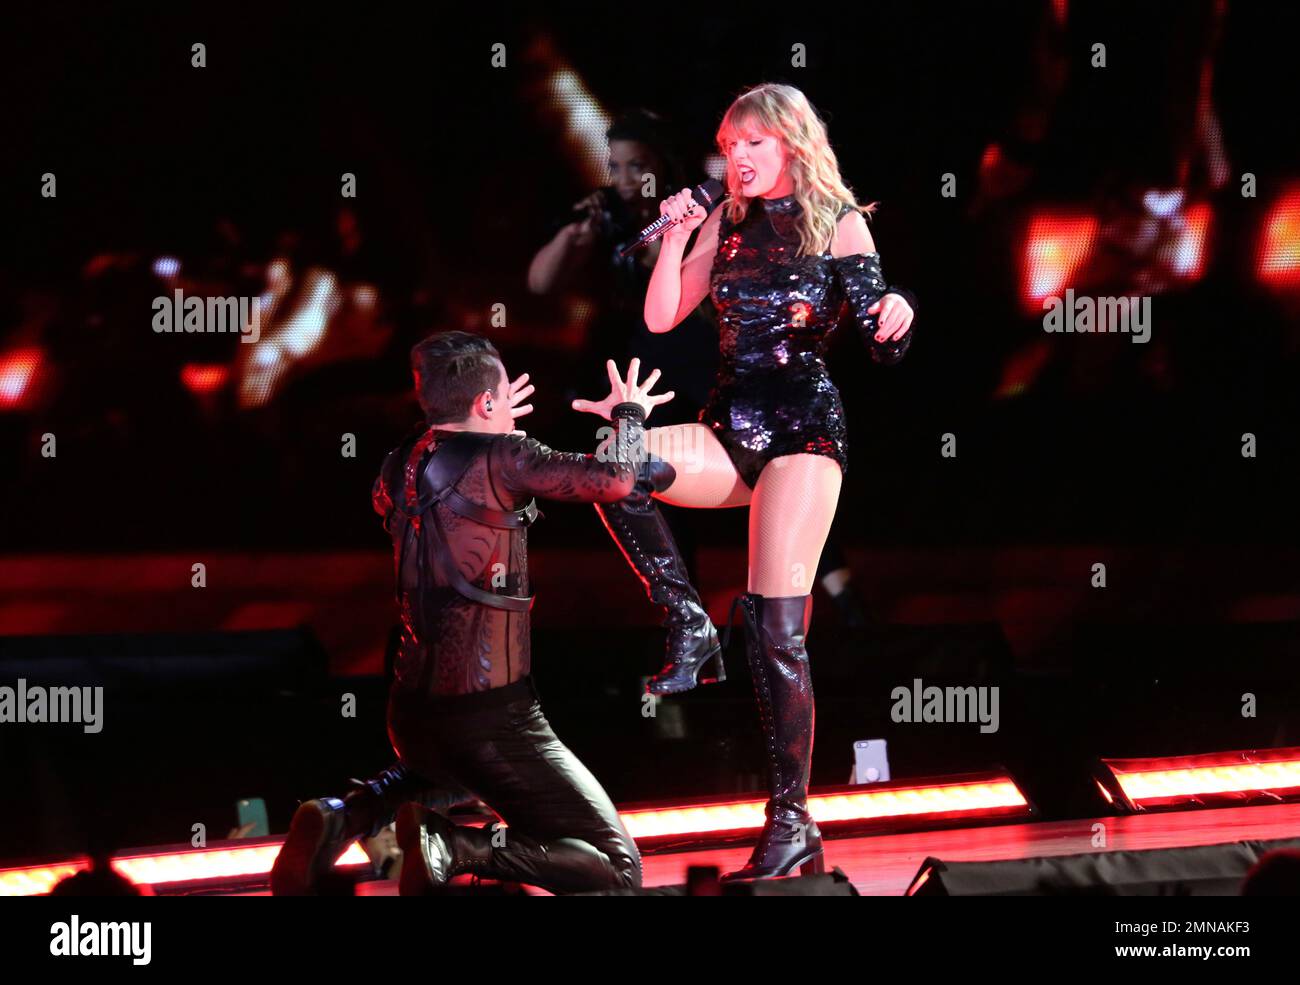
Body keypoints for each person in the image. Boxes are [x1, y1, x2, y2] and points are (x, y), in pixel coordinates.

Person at [591, 83, 918, 880]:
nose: (737, 158)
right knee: (613, 460)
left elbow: (881, 334)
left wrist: (897, 310)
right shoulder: (723, 222)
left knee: (773, 625)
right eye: (730, 145)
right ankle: (689, 624)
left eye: (753, 144)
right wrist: (673, 234)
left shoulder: (838, 222)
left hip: (803, 427)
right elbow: (664, 315)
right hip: (731, 422)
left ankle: (793, 820)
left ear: (792, 146)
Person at [277, 331, 674, 895]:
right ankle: (454, 845)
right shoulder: (508, 455)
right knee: (616, 867)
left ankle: (348, 814)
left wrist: (484, 418)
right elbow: (616, 481)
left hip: (412, 716)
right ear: (487, 402)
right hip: (491, 720)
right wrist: (628, 414)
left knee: (450, 772)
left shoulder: (397, 466)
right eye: (499, 397)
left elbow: (452, 462)